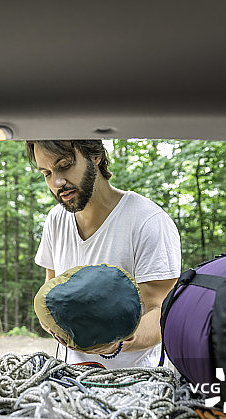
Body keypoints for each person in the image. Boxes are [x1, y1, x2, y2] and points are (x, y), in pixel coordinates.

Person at [28, 139, 181, 369]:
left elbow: (162, 313)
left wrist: (117, 344)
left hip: (135, 382)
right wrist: (51, 323)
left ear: (95, 155)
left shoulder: (147, 221)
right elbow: (50, 287)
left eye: (65, 164)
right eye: (46, 173)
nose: (57, 182)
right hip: (71, 377)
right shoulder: (55, 220)